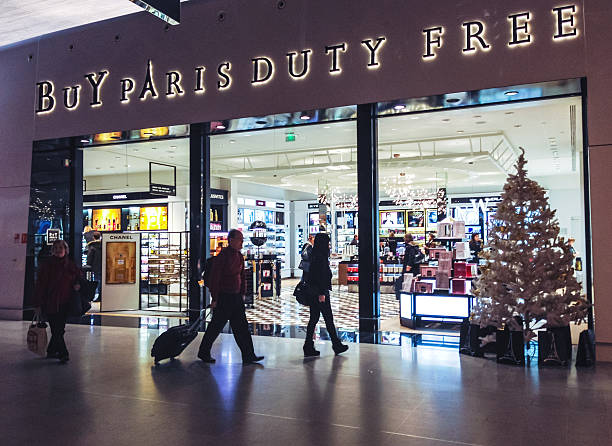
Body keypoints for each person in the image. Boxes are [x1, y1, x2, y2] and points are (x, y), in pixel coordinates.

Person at [197, 229, 264, 364]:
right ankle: (204, 351)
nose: (242, 243)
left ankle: (248, 354)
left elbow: (242, 276)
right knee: (216, 326)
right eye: (240, 240)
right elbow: (215, 278)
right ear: (231, 240)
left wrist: (243, 293)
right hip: (224, 297)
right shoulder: (223, 257)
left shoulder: (239, 256)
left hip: (236, 297)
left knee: (242, 328)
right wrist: (215, 298)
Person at [33, 240, 81, 363]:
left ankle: (51, 350)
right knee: (57, 329)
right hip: (50, 302)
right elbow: (41, 285)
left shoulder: (70, 265)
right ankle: (63, 353)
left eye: (61, 248)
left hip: (65, 302)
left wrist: (77, 285)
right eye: (56, 248)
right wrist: (38, 303)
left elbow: (78, 278)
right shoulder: (47, 265)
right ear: (52, 250)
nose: (59, 250)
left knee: (59, 329)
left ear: (66, 250)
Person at [303, 233, 349, 357]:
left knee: (314, 318)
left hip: (315, 292)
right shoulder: (320, 258)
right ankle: (336, 344)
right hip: (320, 293)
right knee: (328, 318)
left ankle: (308, 346)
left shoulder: (315, 256)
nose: (329, 245)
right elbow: (321, 277)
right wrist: (322, 293)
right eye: (327, 243)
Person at [85, 231, 102, 301]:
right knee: (102, 281)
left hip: (95, 267)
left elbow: (90, 257)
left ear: (93, 237)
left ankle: (95, 295)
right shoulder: (104, 244)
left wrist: (88, 265)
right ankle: (101, 295)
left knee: (96, 281)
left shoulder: (92, 246)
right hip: (103, 266)